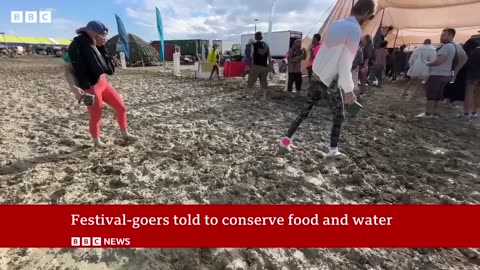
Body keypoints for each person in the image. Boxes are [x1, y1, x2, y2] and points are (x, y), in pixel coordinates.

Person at [279, 0, 375, 157]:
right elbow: (345, 61)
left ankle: (285, 141)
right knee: (339, 115)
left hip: (317, 73)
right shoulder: (354, 29)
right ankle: (333, 150)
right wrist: (349, 90)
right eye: (370, 16)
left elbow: (327, 51)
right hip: (329, 78)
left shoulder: (337, 24)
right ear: (366, 13)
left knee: (305, 110)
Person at [65, 20, 137, 147]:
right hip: (88, 88)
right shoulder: (76, 47)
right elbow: (68, 70)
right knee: (95, 115)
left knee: (121, 108)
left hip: (103, 84)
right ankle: (96, 141)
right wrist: (74, 88)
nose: (105, 38)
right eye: (103, 35)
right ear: (93, 33)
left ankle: (125, 134)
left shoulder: (98, 46)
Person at [417, 28, 459, 118]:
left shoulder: (446, 47)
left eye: (444, 35)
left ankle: (428, 113)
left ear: (451, 36)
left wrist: (428, 63)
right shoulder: (454, 46)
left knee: (431, 95)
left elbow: (439, 61)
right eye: (441, 35)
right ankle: (436, 114)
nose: (441, 37)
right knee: (439, 96)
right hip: (446, 74)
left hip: (437, 75)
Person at [247, 32, 272, 98]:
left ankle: (249, 95)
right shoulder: (267, 45)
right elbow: (269, 57)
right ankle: (264, 96)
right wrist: (270, 69)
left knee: (251, 81)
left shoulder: (253, 45)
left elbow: (251, 56)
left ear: (255, 37)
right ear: (262, 37)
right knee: (264, 82)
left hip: (256, 66)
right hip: (264, 66)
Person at [460, 33, 480, 118]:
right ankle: (475, 112)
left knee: (469, 92)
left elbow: (463, 55)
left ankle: (467, 113)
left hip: (472, 70)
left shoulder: (472, 41)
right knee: (478, 93)